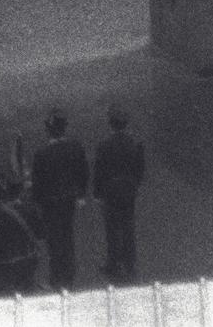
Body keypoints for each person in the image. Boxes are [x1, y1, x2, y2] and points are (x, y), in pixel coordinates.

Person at [29, 109, 90, 289]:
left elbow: (37, 182)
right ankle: (69, 275)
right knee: (67, 236)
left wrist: (36, 202)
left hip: (50, 202)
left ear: (49, 130)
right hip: (69, 199)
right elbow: (83, 173)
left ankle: (56, 278)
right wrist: (80, 194)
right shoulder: (75, 147)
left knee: (54, 241)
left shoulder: (41, 153)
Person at [92, 106, 145, 284]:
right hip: (128, 189)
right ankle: (130, 263)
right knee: (128, 225)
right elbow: (140, 169)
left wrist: (97, 192)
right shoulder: (135, 143)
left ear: (111, 125)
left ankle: (113, 263)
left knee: (112, 228)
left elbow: (99, 170)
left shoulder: (104, 145)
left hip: (110, 189)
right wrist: (134, 185)